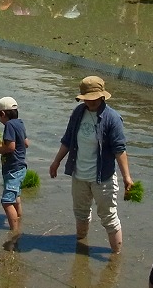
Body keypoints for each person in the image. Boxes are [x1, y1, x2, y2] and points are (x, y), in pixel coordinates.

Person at [47, 75, 135, 254]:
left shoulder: (112, 118)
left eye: (94, 98)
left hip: (103, 178)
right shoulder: (79, 113)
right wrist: (56, 162)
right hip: (79, 175)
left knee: (109, 218)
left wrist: (127, 176)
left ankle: (115, 258)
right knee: (80, 213)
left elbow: (119, 149)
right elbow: (67, 140)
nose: (91, 102)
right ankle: (80, 249)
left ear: (102, 96)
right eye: (87, 99)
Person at [0, 96, 28, 238]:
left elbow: (10, 147)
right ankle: (19, 220)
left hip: (13, 169)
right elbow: (26, 143)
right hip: (21, 167)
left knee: (6, 202)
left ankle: (14, 231)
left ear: (2, 114)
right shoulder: (20, 123)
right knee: (16, 197)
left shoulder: (9, 126)